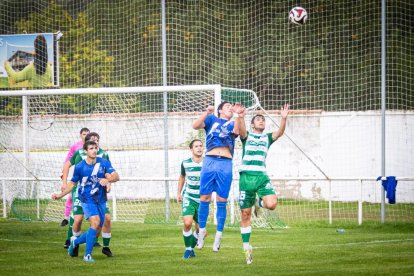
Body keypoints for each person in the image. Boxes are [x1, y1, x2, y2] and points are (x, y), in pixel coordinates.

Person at [238, 104, 289, 265]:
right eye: (258, 119)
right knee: (245, 214)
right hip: (246, 178)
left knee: (272, 204)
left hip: (261, 177)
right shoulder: (247, 137)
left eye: (263, 120)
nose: (261, 121)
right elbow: (241, 130)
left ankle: (257, 202)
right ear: (252, 124)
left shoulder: (267, 138)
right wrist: (239, 116)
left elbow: (280, 133)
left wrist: (283, 118)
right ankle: (246, 247)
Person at [52, 140, 119, 262]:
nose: (94, 150)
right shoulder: (79, 167)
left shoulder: (103, 163)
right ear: (86, 151)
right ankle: (87, 255)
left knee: (97, 228)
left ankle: (75, 242)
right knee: (95, 222)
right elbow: (72, 185)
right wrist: (60, 195)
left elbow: (116, 176)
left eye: (95, 148)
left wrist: (108, 180)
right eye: (91, 148)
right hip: (86, 199)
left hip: (101, 199)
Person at [192, 102, 246, 252]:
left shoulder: (233, 121)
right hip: (210, 161)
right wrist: (206, 112)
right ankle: (201, 232)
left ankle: (218, 237)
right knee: (204, 198)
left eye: (231, 106)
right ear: (220, 110)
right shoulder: (211, 119)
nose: (230, 107)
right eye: (227, 106)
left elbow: (239, 132)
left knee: (222, 201)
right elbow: (195, 126)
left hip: (226, 164)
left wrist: (238, 115)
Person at [177, 139, 204, 259]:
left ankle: (191, 249)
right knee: (187, 223)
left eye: (201, 146)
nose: (199, 148)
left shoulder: (208, 163)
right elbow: (182, 177)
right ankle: (188, 250)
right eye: (196, 146)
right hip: (189, 196)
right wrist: (179, 193)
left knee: (200, 231)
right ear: (191, 149)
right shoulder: (185, 163)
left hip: (203, 200)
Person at [61, 128, 90, 229]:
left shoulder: (94, 148)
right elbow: (68, 160)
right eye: (84, 134)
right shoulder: (76, 147)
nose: (86, 136)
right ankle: (66, 218)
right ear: (80, 135)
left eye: (87, 134)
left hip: (90, 181)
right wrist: (63, 174)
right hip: (77, 179)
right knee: (71, 198)